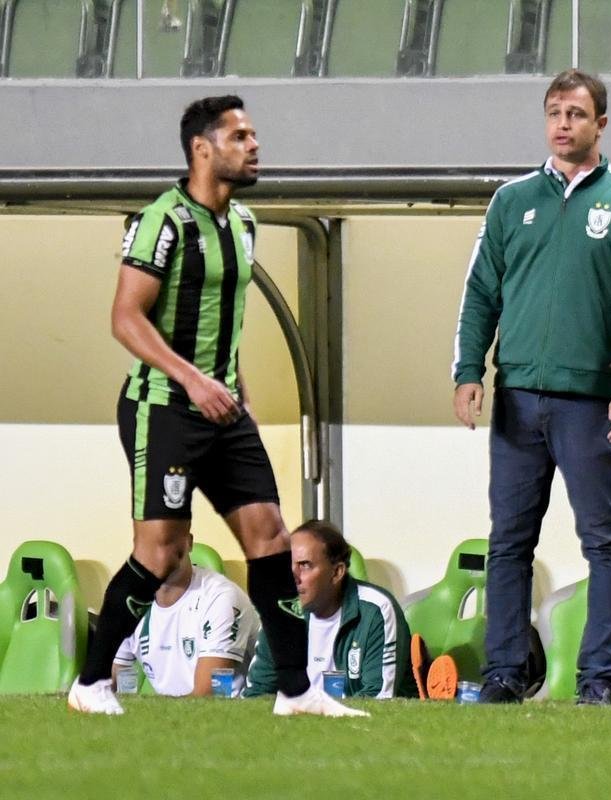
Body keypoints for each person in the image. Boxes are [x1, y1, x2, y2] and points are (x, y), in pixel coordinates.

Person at [68, 95, 363, 718]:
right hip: (163, 408)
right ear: (203, 148)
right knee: (163, 553)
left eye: (253, 134)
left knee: (271, 538)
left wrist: (236, 388)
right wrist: (193, 381)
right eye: (240, 136)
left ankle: (295, 692)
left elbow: (217, 325)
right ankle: (90, 684)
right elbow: (125, 318)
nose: (254, 145)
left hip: (224, 411)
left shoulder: (244, 224)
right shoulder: (162, 221)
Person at [451, 69, 611, 705]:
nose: (563, 124)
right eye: (554, 112)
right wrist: (469, 371)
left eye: (576, 113)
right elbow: (479, 295)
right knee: (508, 542)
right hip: (517, 399)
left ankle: (597, 682)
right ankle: (503, 674)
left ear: (601, 123)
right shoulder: (510, 200)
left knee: (604, 543)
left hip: (590, 404)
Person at [245, 521, 418, 700]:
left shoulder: (376, 610)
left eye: (305, 565)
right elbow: (256, 693)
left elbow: (378, 699)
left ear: (336, 572)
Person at [112, 535, 260, 697]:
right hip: (169, 714)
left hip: (228, 714)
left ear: (188, 542)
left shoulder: (221, 597)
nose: (161, 554)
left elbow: (208, 696)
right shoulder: (129, 601)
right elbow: (111, 677)